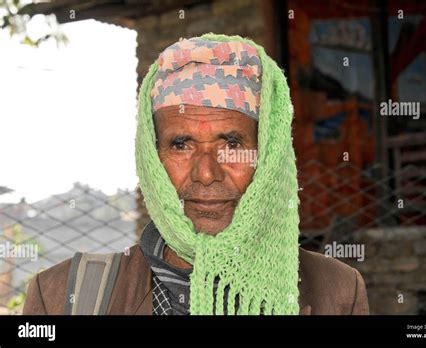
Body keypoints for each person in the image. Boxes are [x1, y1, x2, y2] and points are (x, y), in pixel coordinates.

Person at [23, 34, 369, 315]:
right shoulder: (62, 297)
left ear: (267, 156)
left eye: (231, 143)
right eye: (181, 144)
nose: (206, 173)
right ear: (152, 158)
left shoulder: (336, 292)